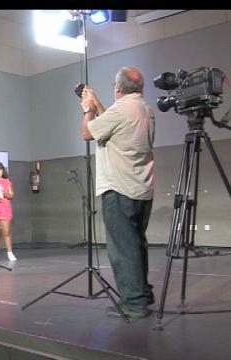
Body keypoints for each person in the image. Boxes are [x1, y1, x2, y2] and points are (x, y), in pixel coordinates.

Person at [80, 66, 155, 320]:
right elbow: (113, 125)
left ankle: (133, 304)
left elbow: (87, 132)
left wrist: (88, 109)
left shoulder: (121, 109)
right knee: (136, 244)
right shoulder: (144, 109)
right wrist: (99, 103)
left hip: (118, 188)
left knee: (123, 249)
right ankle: (142, 294)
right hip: (140, 188)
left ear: (118, 88)